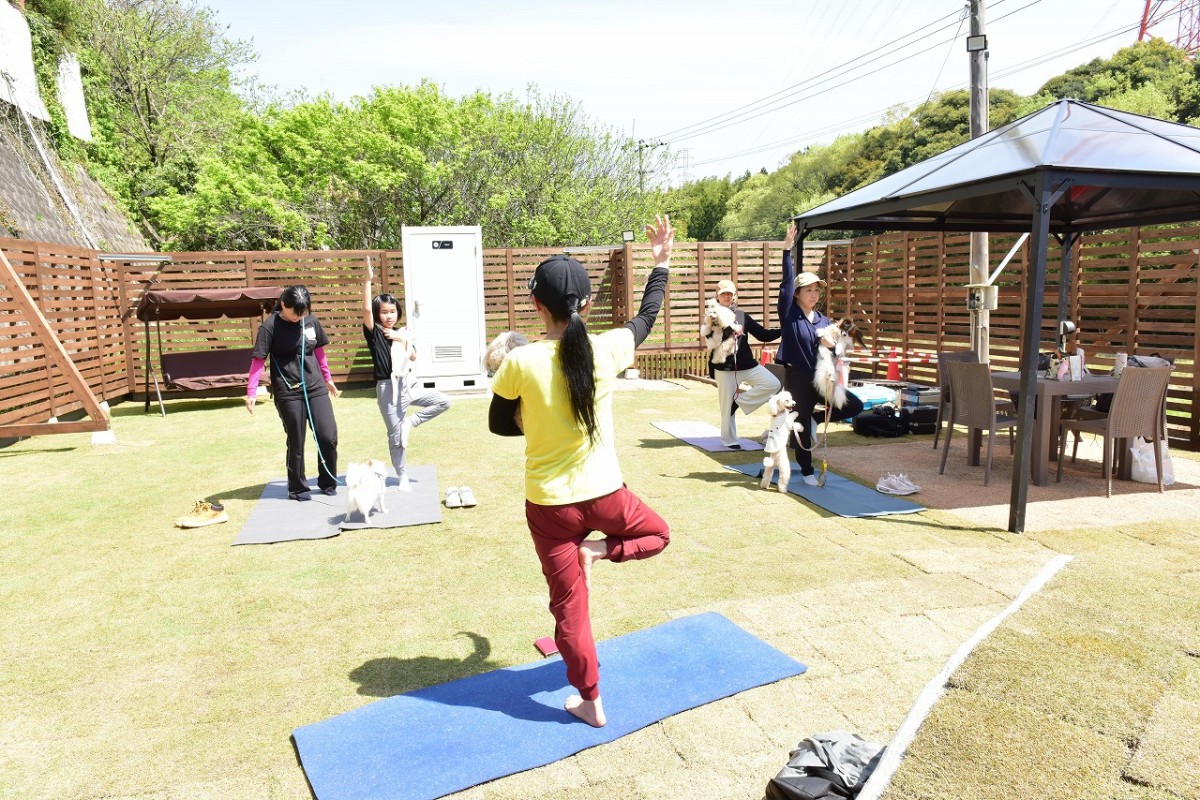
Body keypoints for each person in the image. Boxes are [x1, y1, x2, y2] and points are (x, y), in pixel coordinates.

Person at [488, 215, 675, 728]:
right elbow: (647, 316)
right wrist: (660, 262)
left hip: (550, 507)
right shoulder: (608, 347)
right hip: (607, 496)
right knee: (659, 533)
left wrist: (536, 421)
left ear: (536, 305)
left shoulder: (519, 362)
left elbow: (499, 426)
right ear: (587, 304)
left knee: (569, 609)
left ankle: (591, 701)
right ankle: (598, 551)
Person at [775, 223, 864, 485]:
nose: (814, 294)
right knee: (800, 422)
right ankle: (806, 471)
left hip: (822, 378)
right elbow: (786, 284)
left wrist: (831, 345)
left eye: (817, 290)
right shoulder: (789, 314)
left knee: (854, 406)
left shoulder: (823, 319)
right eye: (808, 290)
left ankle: (816, 418)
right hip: (799, 379)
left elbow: (835, 350)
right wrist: (787, 251)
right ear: (797, 294)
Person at [362, 262, 451, 492]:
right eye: (384, 312)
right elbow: (366, 311)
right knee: (396, 437)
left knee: (444, 401)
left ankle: (411, 422)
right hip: (388, 389)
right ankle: (402, 475)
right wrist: (368, 280)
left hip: (409, 385)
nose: (389, 316)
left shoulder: (402, 333)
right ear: (378, 314)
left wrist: (401, 339)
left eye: (392, 312)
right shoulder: (375, 333)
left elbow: (413, 356)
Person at [246, 285, 341, 500]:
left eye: (303, 312)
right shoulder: (270, 327)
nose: (299, 317)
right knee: (297, 440)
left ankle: (328, 481)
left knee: (328, 436)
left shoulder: (311, 321)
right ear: (283, 304)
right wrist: (252, 392)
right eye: (295, 312)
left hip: (315, 386)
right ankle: (297, 488)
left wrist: (328, 378)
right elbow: (258, 360)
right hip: (288, 391)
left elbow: (319, 352)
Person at [704, 279, 781, 448]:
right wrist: (731, 328)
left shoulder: (742, 316)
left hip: (747, 365)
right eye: (723, 294)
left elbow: (762, 335)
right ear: (717, 296)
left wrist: (784, 330)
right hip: (724, 368)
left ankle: (739, 402)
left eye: (729, 294)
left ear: (734, 296)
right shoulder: (712, 316)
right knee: (726, 408)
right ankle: (729, 441)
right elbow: (712, 338)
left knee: (773, 384)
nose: (727, 297)